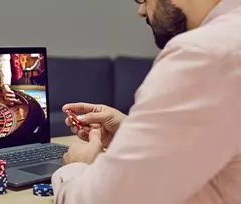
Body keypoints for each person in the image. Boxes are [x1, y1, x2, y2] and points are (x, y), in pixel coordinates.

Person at [51, 0, 241, 203]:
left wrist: (76, 166)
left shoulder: (203, 54)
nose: (141, 11)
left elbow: (106, 199)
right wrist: (131, 131)